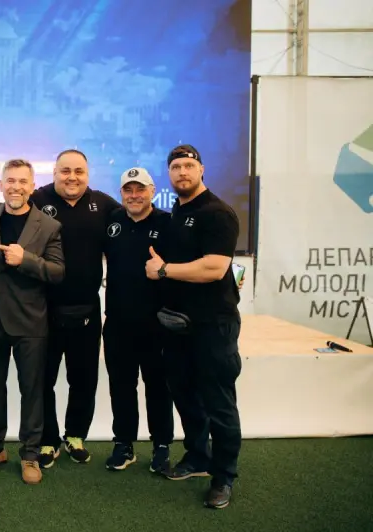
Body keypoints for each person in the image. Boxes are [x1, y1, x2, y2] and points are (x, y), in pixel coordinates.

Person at [145, 144, 243, 510]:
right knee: (185, 396)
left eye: (188, 165)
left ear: (201, 169)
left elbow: (214, 268)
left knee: (219, 402)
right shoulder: (176, 213)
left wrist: (164, 271)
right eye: (176, 167)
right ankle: (198, 457)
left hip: (213, 326)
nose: (182, 172)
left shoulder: (218, 213)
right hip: (178, 326)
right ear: (169, 174)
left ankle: (224, 476)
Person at [0, 159, 65, 484]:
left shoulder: (49, 226)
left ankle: (30, 454)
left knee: (32, 391)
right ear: (0, 185)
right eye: (10, 181)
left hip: (30, 321)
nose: (16, 187)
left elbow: (58, 272)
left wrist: (26, 259)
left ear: (32, 186)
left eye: (22, 181)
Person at [32, 149, 121, 468]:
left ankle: (75, 435)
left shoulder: (105, 205)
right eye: (65, 171)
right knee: (43, 380)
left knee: (83, 379)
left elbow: (136, 229)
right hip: (44, 309)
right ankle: (47, 440)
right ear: (54, 172)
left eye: (79, 171)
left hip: (87, 309)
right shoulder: (36, 199)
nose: (72, 177)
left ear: (88, 174)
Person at [102, 167, 174, 474]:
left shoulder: (168, 223)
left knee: (158, 387)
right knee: (121, 387)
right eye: (128, 190)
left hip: (156, 324)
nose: (134, 195)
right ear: (121, 194)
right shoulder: (111, 221)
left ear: (152, 191)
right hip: (117, 322)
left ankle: (162, 445)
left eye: (140, 189)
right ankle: (124, 444)